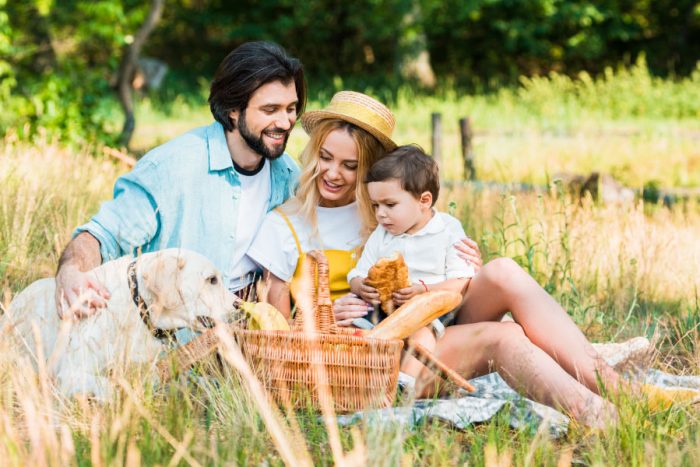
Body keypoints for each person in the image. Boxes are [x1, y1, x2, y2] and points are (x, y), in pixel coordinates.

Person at [249, 90, 634, 427]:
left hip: (427, 320)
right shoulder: (284, 226)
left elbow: (436, 264)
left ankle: (617, 389)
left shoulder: (385, 210)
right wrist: (326, 314)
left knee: (502, 271)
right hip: (368, 356)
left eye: (350, 166)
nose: (333, 173)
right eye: (326, 157)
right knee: (503, 336)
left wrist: (466, 270)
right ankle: (597, 414)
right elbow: (275, 333)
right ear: (313, 152)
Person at [55, 41, 305, 319]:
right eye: (270, 110)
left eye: (291, 108)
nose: (285, 122)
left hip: (252, 331)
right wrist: (71, 271)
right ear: (233, 109)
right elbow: (102, 235)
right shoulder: (172, 167)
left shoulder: (288, 175)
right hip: (177, 340)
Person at [346, 145, 475, 378]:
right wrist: (361, 287)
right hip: (386, 308)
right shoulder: (382, 234)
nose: (381, 214)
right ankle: (355, 377)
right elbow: (357, 273)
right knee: (353, 327)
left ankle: (404, 385)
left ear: (424, 200)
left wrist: (423, 290)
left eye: (390, 205)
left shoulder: (447, 229)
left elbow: (460, 281)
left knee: (420, 334)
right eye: (376, 205)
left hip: (430, 307)